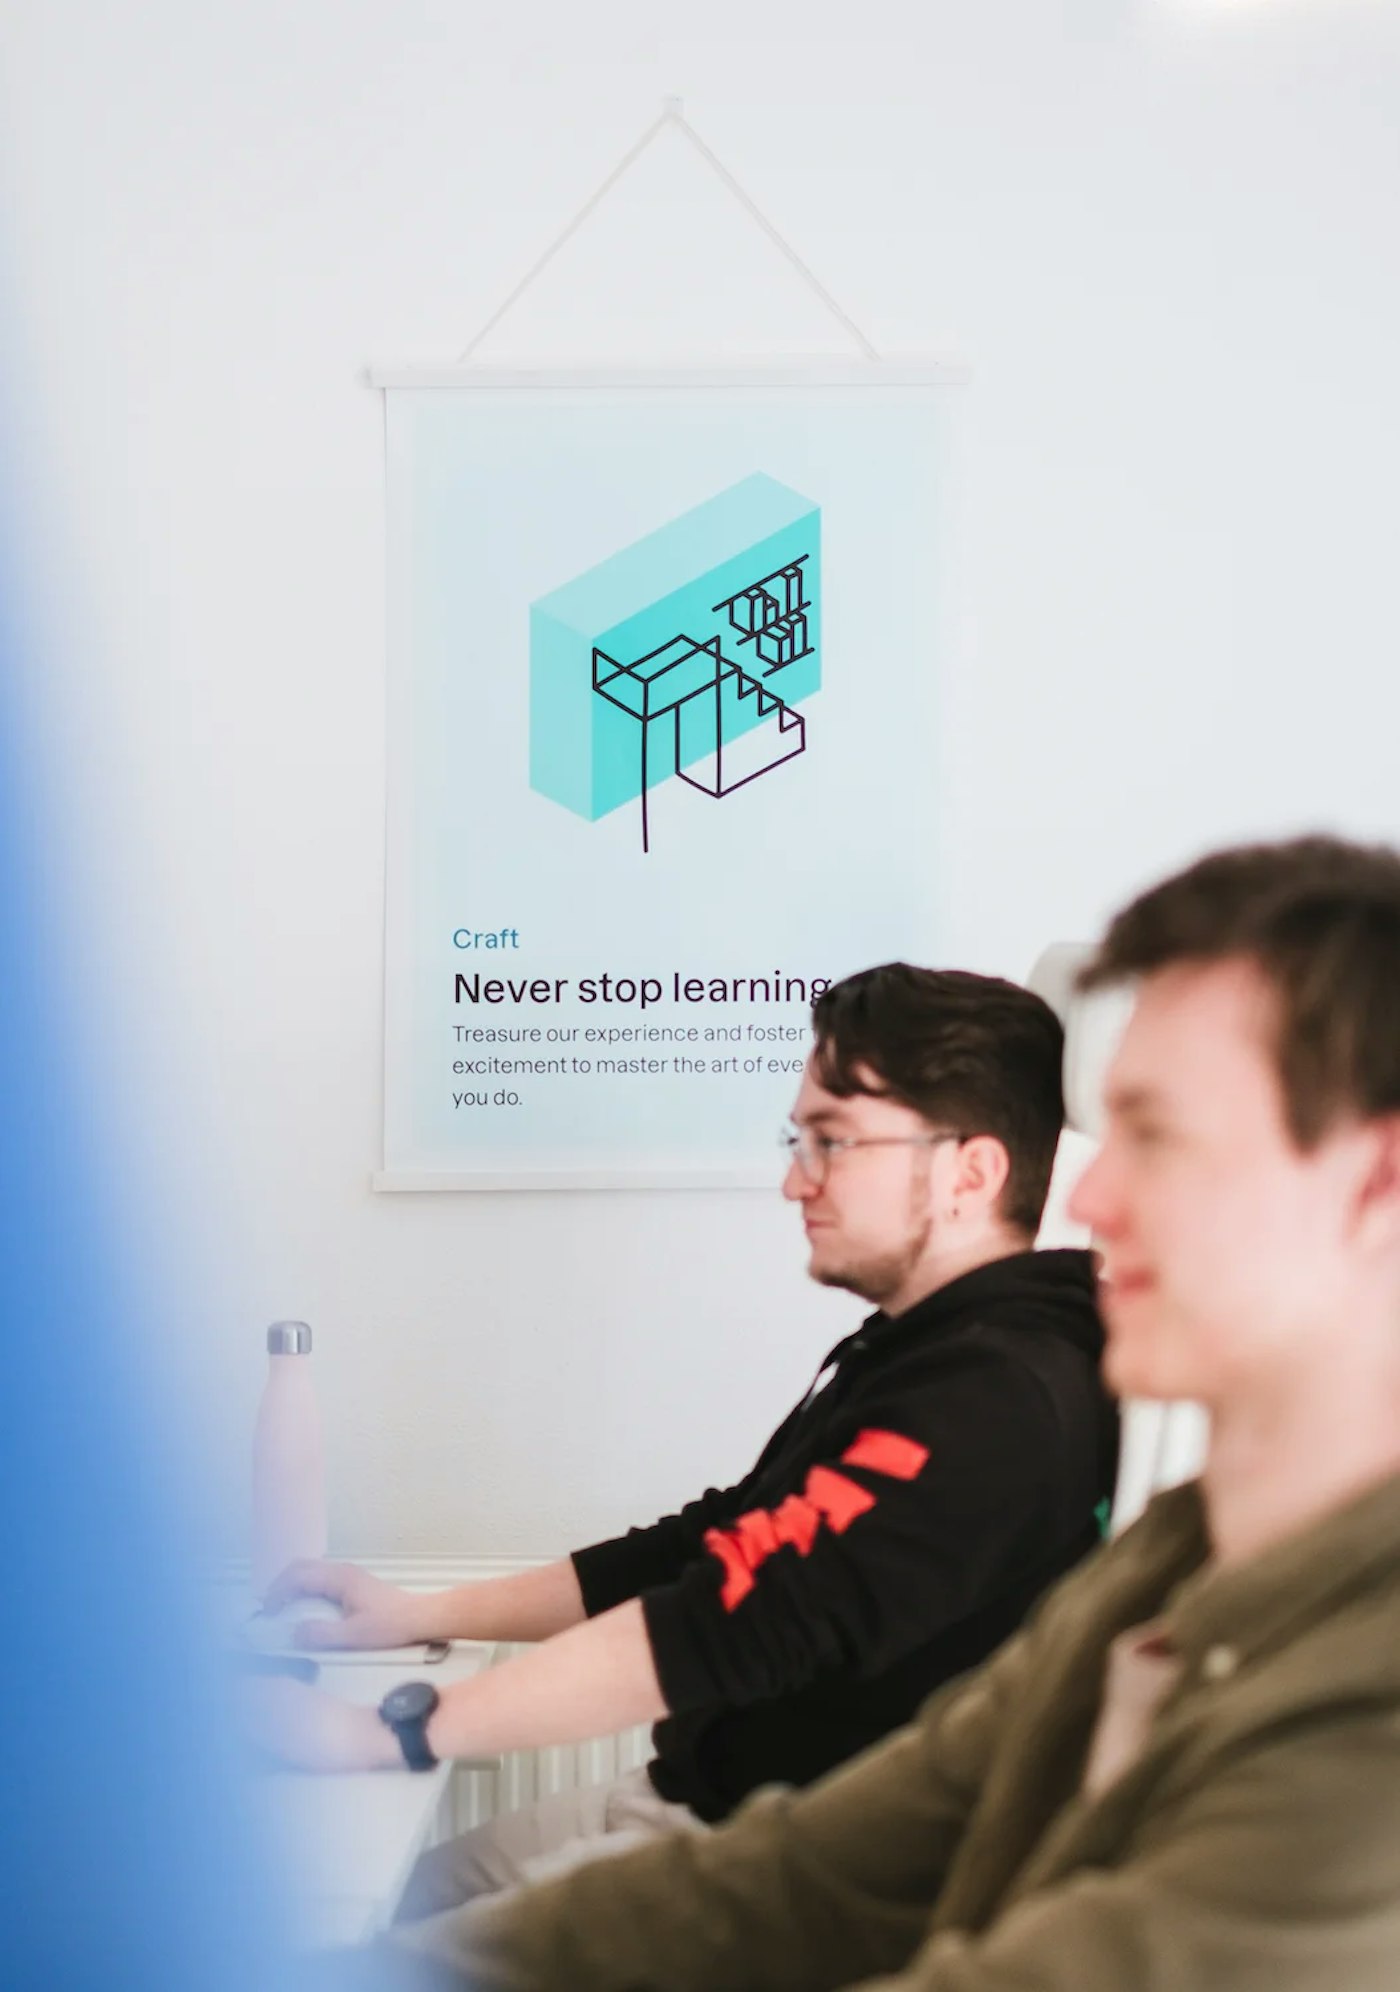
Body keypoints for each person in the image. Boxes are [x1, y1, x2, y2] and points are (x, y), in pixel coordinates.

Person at [362, 833, 1400, 1992]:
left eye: (1156, 1138)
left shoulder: (1364, 1692)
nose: (1092, 1194)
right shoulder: (1161, 1567)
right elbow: (815, 1872)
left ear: (1371, 1185)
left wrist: (403, 1724)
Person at [249, 963, 1116, 1914]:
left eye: (832, 1142)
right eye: (799, 1140)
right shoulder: (928, 1349)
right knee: (389, 1898)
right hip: (687, 1795)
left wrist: (391, 1732)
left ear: (971, 1172)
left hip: (772, 1865)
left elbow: (723, 1621)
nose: (796, 1180)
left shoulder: (996, 1400)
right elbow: (723, 1538)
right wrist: (421, 1614)